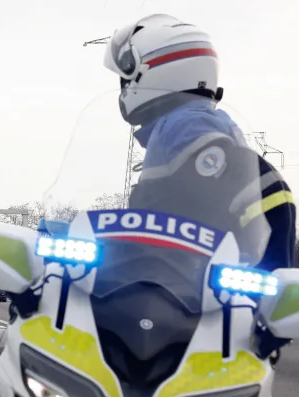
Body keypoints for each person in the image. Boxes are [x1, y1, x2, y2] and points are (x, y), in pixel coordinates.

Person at [104, 13, 296, 357]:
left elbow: (267, 192)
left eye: (126, 77)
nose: (123, 89)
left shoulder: (183, 129)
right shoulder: (201, 127)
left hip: (188, 315)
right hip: (205, 315)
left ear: (153, 70)